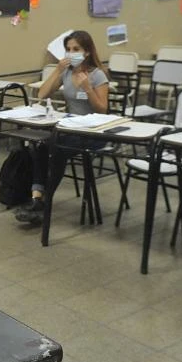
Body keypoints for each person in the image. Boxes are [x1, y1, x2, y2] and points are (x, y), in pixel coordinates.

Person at [15, 31, 110, 223]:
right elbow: (42, 94)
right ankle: (37, 198)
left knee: (56, 149)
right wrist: (57, 70)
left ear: (87, 52)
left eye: (76, 49)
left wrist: (87, 88)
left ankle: (44, 201)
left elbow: (103, 109)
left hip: (93, 131)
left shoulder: (97, 75)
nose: (71, 53)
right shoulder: (67, 72)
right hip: (70, 126)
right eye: (68, 49)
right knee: (41, 146)